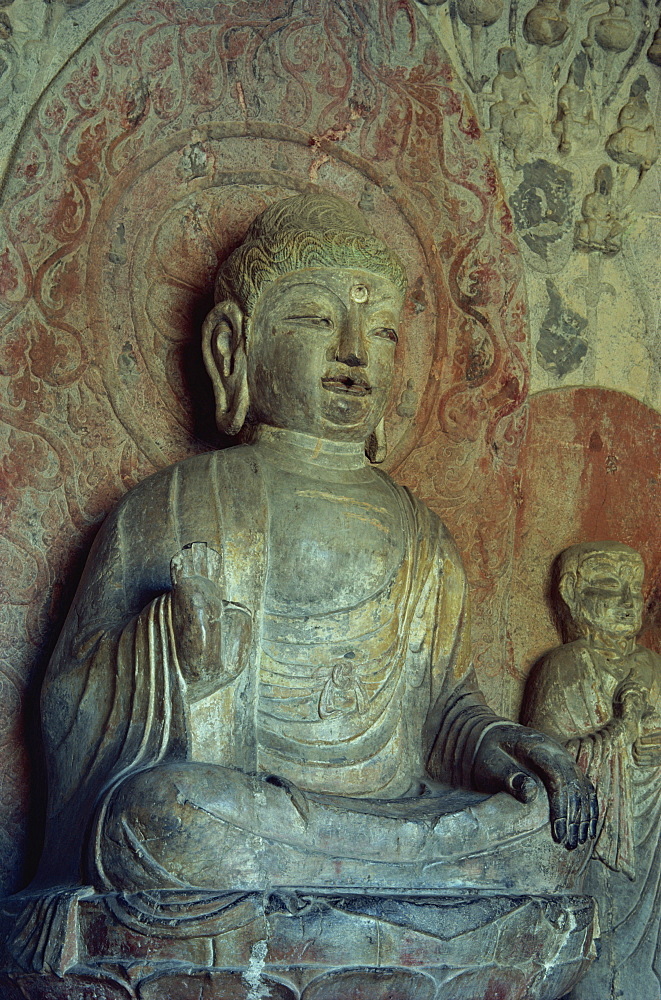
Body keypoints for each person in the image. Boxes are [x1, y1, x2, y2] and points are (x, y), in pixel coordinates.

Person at [36, 193, 595, 904]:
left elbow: (443, 712)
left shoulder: (422, 536)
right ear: (230, 348)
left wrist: (505, 752)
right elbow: (68, 702)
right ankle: (387, 895)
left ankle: (351, 886)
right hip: (243, 811)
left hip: (392, 816)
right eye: (315, 317)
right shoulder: (176, 502)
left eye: (385, 330)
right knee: (160, 817)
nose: (355, 350)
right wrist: (172, 659)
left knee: (548, 827)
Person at [522, 541, 661, 999]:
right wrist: (611, 739)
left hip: (652, 820)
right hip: (592, 826)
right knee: (593, 953)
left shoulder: (652, 667)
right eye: (608, 585)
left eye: (634, 589)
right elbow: (545, 755)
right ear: (574, 596)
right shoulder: (563, 667)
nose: (628, 600)